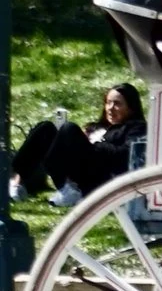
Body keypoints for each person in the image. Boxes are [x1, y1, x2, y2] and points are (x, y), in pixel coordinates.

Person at [10, 84, 147, 207]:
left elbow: (127, 154)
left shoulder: (136, 128)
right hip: (78, 167)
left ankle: (67, 188)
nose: (110, 108)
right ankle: (16, 182)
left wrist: (94, 144)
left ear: (131, 108)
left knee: (69, 128)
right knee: (45, 128)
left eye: (117, 104)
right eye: (108, 103)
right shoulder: (96, 127)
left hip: (99, 176)